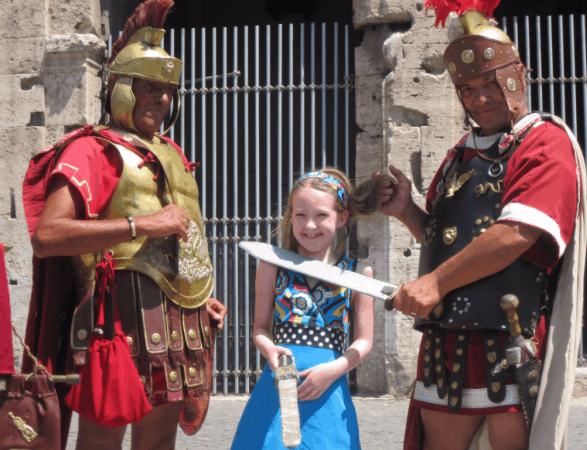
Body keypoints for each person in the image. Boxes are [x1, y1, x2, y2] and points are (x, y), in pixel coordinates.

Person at [375, 6, 587, 450]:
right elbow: (453, 243)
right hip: (443, 348)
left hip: (506, 344)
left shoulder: (544, 140)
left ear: (518, 76)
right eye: (467, 89)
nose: (480, 97)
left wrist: (433, 282)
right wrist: (410, 214)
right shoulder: (459, 154)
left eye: (490, 82)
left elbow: (516, 234)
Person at [20, 1, 227, 449]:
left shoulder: (171, 152)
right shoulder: (91, 150)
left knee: (157, 445)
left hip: (176, 321)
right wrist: (142, 224)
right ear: (119, 89)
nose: (162, 98)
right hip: (116, 322)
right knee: (103, 444)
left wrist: (202, 298)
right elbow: (47, 236)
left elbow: (184, 244)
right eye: (149, 87)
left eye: (168, 89)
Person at [231, 169, 391, 449]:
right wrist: (270, 350)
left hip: (329, 392)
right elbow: (260, 328)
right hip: (277, 391)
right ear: (290, 217)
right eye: (300, 215)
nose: (310, 225)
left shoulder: (360, 273)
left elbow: (365, 341)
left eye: (321, 215)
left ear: (341, 218)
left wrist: (333, 371)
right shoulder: (272, 265)